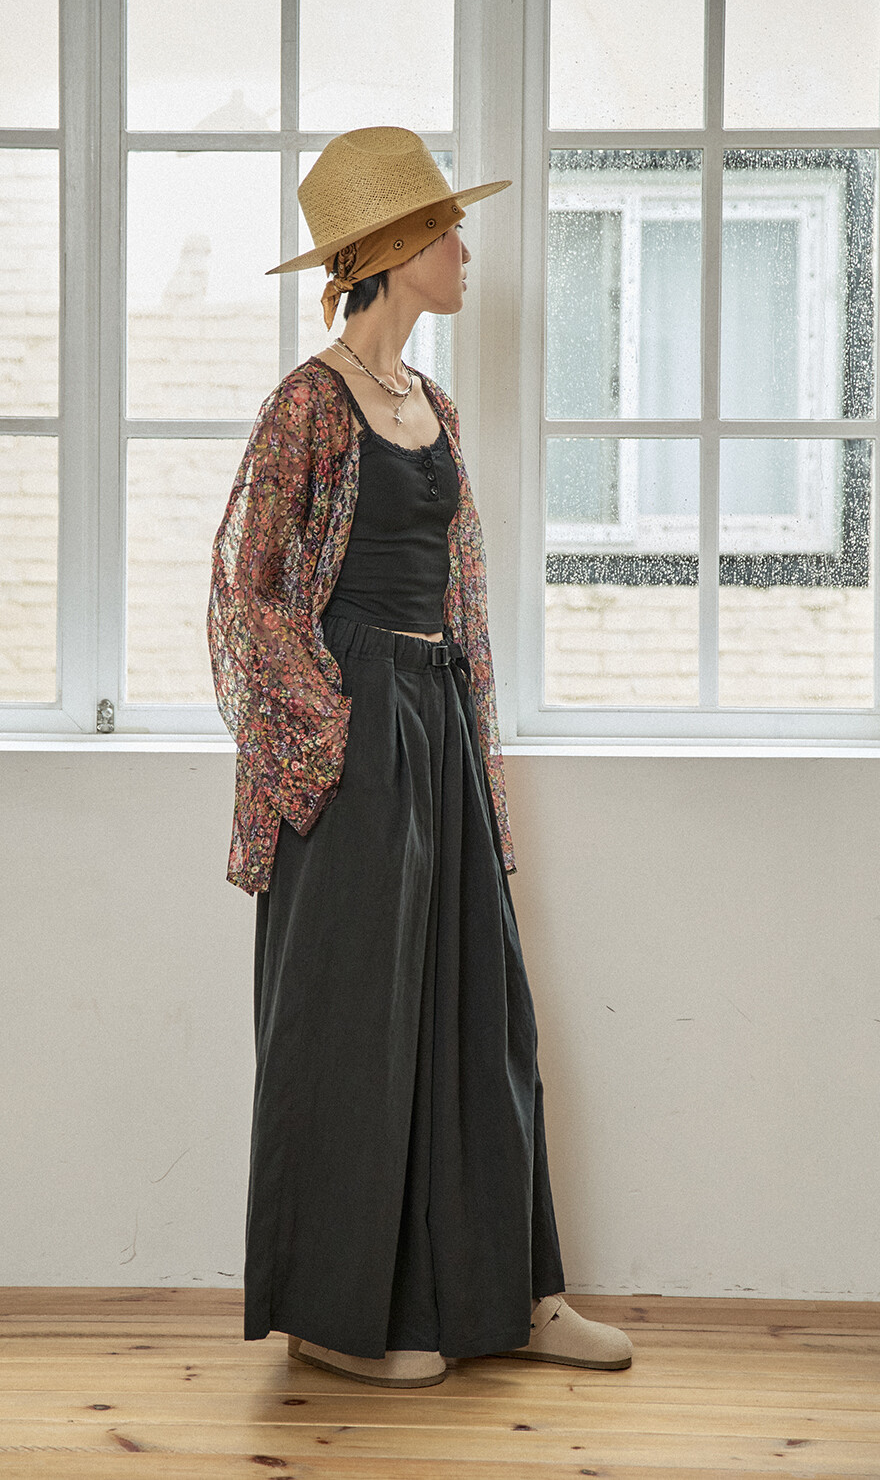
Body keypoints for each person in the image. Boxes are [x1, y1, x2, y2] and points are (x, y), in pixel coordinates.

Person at [207, 126, 633, 1389]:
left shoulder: (428, 405)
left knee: (480, 1008)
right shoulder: (307, 405)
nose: (463, 250)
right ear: (392, 250)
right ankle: (333, 1319)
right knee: (349, 1019)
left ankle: (517, 1298)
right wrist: (331, 730)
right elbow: (247, 594)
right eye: (446, 231)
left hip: (436, 717)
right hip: (352, 731)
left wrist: (441, 723)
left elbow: (455, 587)